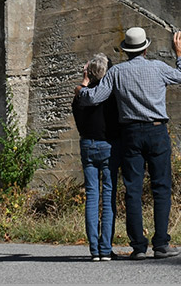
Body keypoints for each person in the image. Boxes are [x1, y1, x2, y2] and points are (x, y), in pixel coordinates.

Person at [74, 27, 181, 259]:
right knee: (161, 188)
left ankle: (138, 246)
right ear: (146, 48)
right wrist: (180, 53)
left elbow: (95, 98)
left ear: (126, 50)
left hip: (130, 135)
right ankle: (160, 244)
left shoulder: (116, 73)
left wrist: (81, 90)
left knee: (133, 190)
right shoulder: (157, 67)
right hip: (157, 132)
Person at [72, 53, 120, 261]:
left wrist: (84, 78)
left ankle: (94, 249)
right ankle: (105, 248)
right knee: (108, 196)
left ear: (89, 72)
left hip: (87, 145)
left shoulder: (81, 96)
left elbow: (80, 95)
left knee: (92, 196)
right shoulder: (110, 95)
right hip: (107, 145)